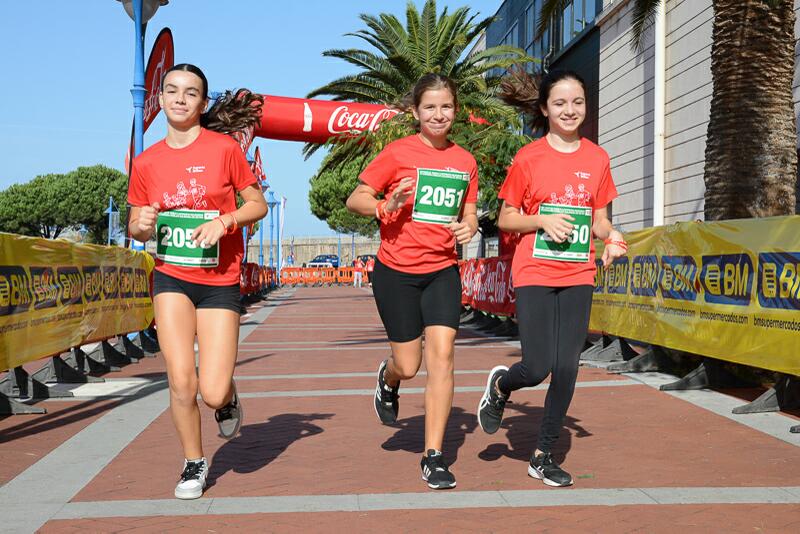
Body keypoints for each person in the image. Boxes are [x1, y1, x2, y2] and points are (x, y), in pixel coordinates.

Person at [477, 69, 627, 487]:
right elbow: (506, 218)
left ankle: (543, 454)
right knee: (538, 366)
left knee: (567, 367)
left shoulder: (597, 158)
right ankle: (503, 385)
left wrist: (612, 236)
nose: (570, 110)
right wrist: (541, 218)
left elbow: (599, 219)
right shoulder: (529, 157)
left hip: (578, 271)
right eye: (560, 103)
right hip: (535, 271)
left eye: (577, 102)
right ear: (545, 109)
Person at [127, 63, 268, 500]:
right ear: (161, 99)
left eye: (191, 93)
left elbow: (257, 204)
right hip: (171, 276)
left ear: (202, 103)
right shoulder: (147, 160)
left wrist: (226, 221)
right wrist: (142, 224)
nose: (181, 99)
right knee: (181, 381)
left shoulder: (223, 149)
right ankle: (193, 462)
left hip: (220, 279)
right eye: (172, 91)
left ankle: (226, 399)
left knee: (211, 389)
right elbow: (135, 224)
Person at [346, 73, 479, 490]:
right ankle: (388, 379)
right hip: (397, 272)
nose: (439, 115)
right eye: (430, 107)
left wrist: (469, 227)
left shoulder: (465, 161)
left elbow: (470, 211)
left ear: (455, 110)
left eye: (446, 107)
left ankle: (434, 455)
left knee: (442, 358)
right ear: (416, 112)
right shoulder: (397, 152)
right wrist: (387, 203)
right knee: (409, 363)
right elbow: (356, 198)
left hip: (442, 270)